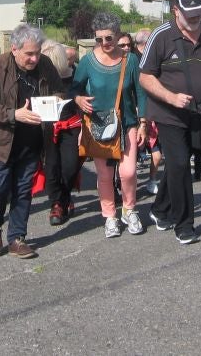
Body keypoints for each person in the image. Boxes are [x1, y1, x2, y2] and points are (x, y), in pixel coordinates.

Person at [0, 24, 66, 259]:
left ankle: (17, 238)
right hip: (0, 142)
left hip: (32, 141)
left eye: (37, 53)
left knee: (23, 190)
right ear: (14, 49)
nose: (35, 58)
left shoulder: (45, 64)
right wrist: (14, 114)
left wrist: (55, 102)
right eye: (29, 54)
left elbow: (58, 90)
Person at [139, 0, 201, 245]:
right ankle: (184, 224)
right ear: (176, 11)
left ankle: (160, 209)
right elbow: (144, 76)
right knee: (182, 164)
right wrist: (172, 98)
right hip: (168, 113)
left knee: (176, 164)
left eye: (199, 15)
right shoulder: (161, 36)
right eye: (190, 17)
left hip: (199, 113)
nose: (196, 22)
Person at [71, 13, 147, 238]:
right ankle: (110, 216)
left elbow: (141, 94)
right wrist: (78, 99)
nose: (104, 43)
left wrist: (143, 123)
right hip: (98, 126)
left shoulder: (130, 60)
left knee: (129, 172)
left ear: (118, 35)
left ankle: (129, 209)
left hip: (127, 124)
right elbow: (73, 89)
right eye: (99, 39)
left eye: (109, 38)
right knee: (104, 176)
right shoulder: (88, 61)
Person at [40, 40, 80, 226]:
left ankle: (65, 197)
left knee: (70, 167)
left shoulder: (75, 76)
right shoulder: (40, 78)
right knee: (51, 167)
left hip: (71, 127)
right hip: (46, 128)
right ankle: (57, 203)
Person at [133, 28, 162, 195]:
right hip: (138, 113)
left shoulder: (154, 58)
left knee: (157, 155)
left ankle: (152, 180)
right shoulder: (133, 60)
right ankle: (126, 184)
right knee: (132, 156)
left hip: (154, 114)